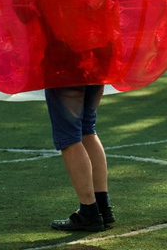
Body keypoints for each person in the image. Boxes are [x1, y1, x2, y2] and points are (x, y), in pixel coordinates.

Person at [46, 84, 114, 232]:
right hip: (95, 65)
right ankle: (102, 207)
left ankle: (89, 211)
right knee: (87, 127)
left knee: (68, 136)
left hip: (65, 69)